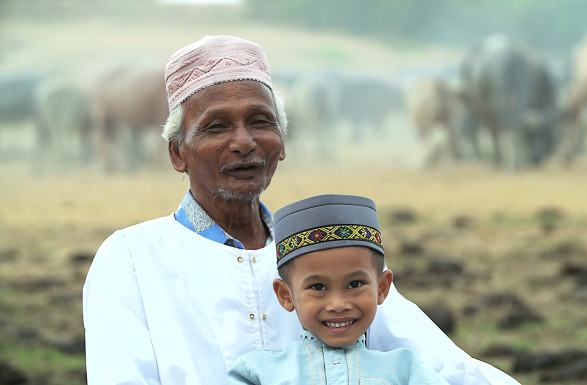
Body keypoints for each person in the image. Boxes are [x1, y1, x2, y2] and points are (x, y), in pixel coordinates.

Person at [82, 35, 520, 385]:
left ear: (282, 142)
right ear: (178, 153)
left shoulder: (325, 248)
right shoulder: (130, 259)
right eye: (216, 126)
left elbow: (446, 366)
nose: (243, 141)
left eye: (260, 121)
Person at [227, 194, 451, 384]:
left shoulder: (407, 371)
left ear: (382, 288)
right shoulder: (258, 373)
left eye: (354, 284)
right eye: (318, 287)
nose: (338, 304)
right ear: (286, 295)